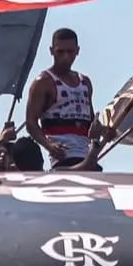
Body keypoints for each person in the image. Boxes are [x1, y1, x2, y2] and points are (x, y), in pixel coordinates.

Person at [26, 28, 111, 170]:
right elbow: (31, 123)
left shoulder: (84, 82)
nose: (65, 57)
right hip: (63, 157)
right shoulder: (43, 82)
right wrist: (48, 145)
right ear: (51, 51)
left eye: (70, 52)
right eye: (60, 52)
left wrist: (104, 130)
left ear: (77, 51)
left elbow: (89, 122)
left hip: (87, 155)